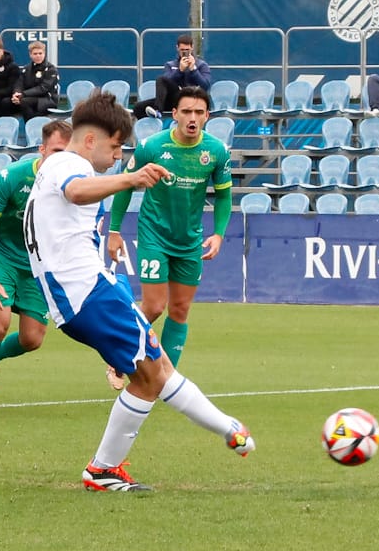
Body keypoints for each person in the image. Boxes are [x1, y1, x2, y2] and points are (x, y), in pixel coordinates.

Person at [27, 91, 253, 491]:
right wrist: (132, 178)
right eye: (115, 147)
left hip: (87, 292)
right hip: (86, 293)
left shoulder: (53, 164)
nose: (118, 156)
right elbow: (75, 191)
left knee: (155, 369)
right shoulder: (68, 163)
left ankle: (227, 430)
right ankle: (106, 468)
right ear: (92, 140)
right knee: (151, 375)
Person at [105, 84, 233, 372]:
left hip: (189, 241)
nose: (192, 117)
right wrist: (114, 231)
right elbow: (124, 188)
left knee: (180, 310)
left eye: (199, 112)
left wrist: (219, 233)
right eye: (186, 111)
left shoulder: (216, 151)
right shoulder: (152, 147)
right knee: (153, 307)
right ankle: (117, 358)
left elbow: (224, 195)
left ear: (207, 116)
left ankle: (166, 380)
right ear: (174, 113)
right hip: (154, 236)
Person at [0, 118, 70, 413]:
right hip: (2, 258)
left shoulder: (73, 187)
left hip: (38, 267)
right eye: (56, 151)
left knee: (32, 339)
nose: (60, 159)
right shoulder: (12, 178)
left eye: (67, 154)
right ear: (41, 149)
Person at [137, 34, 212, 120]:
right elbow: (164, 82)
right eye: (182, 50)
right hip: (175, 98)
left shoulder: (202, 65)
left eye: (187, 50)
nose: (184, 53)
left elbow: (205, 86)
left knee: (161, 80)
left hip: (194, 97)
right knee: (138, 107)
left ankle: (158, 110)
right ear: (177, 48)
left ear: (192, 48)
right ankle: (155, 117)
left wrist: (194, 70)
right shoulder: (170, 65)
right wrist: (179, 71)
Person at [12, 40, 60, 120]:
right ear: (30, 55)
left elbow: (43, 88)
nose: (38, 56)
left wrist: (23, 94)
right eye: (35, 54)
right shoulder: (26, 69)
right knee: (7, 103)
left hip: (48, 99)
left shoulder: (51, 69)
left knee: (25, 102)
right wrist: (16, 94)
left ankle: (32, 126)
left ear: (44, 54)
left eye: (40, 53)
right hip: (29, 98)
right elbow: (19, 83)